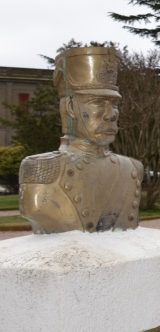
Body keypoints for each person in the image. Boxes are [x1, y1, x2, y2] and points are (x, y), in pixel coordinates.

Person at [20, 46, 145, 234]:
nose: (111, 115)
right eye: (97, 102)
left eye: (114, 104)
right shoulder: (42, 169)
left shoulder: (133, 169)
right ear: (71, 107)